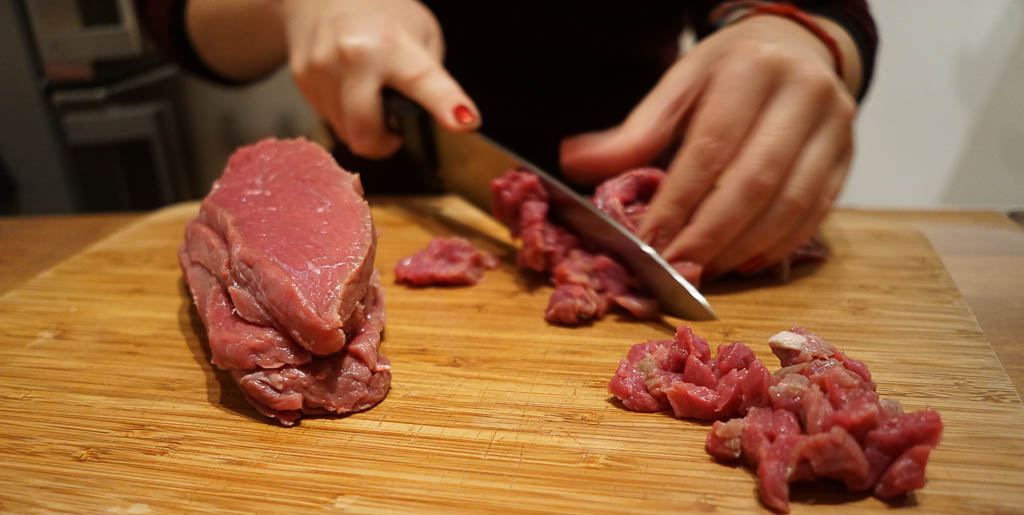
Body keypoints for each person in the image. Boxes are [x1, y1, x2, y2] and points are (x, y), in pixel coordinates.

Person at [136, 0, 877, 278]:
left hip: (663, 216)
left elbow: (824, 5)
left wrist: (799, 34)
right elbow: (169, 18)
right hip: (380, 214)